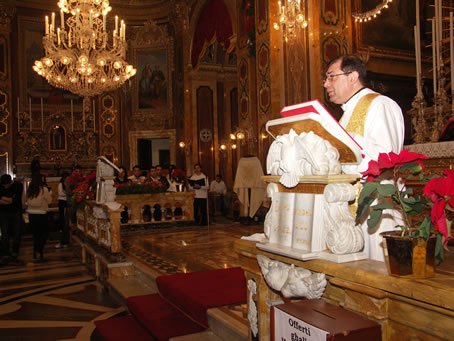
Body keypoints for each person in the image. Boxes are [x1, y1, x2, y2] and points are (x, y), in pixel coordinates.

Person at [323, 54, 405, 261]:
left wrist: (343, 140)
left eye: (332, 77)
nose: (326, 84)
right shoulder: (345, 114)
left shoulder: (380, 105)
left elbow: (386, 158)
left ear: (352, 76)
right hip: (349, 206)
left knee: (376, 272)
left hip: (376, 207)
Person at [25, 173, 52, 261]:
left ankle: (35, 250)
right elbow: (49, 200)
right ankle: (39, 250)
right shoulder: (44, 189)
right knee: (43, 233)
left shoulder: (30, 190)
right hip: (42, 213)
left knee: (36, 234)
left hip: (32, 214)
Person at [0, 174, 24, 263]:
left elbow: (16, 200)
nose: (5, 186)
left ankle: (15, 251)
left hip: (16, 211)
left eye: (6, 184)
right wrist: (9, 199)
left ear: (11, 182)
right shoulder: (1, 186)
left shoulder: (18, 186)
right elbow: (9, 200)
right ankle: (5, 252)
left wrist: (3, 199)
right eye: (3, 185)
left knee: (17, 233)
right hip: (3, 212)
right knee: (5, 233)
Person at [55, 172, 69, 249]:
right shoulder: (61, 184)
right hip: (62, 202)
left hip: (67, 202)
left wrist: (66, 193)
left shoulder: (69, 184)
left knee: (66, 220)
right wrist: (67, 193)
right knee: (63, 217)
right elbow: (61, 193)